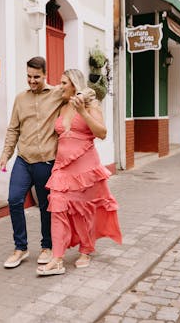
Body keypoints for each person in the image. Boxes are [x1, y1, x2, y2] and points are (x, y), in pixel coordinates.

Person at [37, 69, 122, 275]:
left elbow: (101, 133)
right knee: (57, 207)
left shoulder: (91, 105)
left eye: (64, 83)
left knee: (82, 211)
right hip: (62, 167)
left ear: (74, 84)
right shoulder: (62, 105)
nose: (61, 86)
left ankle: (85, 249)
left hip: (85, 168)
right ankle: (57, 259)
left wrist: (83, 111)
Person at [0, 56, 64, 268]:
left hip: (46, 161)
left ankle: (47, 246)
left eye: (36, 76)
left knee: (45, 206)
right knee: (14, 200)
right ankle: (20, 248)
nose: (32, 80)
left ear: (45, 74)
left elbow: (78, 92)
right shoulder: (20, 99)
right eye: (28, 76)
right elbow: (13, 129)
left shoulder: (57, 94)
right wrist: (5, 155)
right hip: (24, 159)